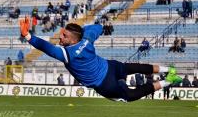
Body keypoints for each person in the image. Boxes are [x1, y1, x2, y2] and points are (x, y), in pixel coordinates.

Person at [20, 17, 183, 102]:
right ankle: (168, 69)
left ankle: (168, 81)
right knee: (134, 67)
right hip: (110, 66)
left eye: (65, 35)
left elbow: (44, 46)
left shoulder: (67, 54)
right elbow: (98, 27)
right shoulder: (86, 39)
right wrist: (82, 32)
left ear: (74, 39)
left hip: (105, 83)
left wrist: (27, 35)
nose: (60, 37)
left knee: (130, 96)